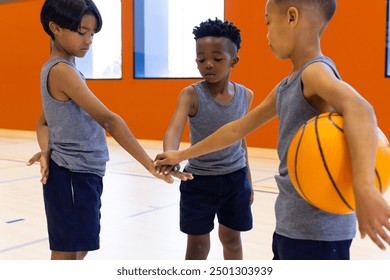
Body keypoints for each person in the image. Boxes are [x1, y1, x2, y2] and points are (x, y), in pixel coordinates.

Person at [155, 0, 390, 259]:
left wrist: (365, 187)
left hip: (318, 230)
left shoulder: (315, 72)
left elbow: (361, 109)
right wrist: (180, 154)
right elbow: (235, 130)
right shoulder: (288, 84)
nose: (266, 34)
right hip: (292, 222)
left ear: (291, 18)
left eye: (268, 22)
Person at [27, 0, 192, 260]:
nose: (89, 40)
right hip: (72, 175)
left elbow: (43, 122)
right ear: (55, 27)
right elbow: (110, 121)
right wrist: (150, 164)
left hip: (83, 173)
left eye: (92, 34)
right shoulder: (61, 72)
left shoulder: (67, 71)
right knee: (66, 253)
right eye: (82, 32)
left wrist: (46, 150)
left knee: (79, 249)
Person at [157, 18, 254, 260]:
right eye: (201, 59)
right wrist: (171, 154)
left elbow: (241, 141)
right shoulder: (191, 94)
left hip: (235, 179)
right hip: (198, 182)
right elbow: (174, 130)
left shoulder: (246, 95)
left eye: (217, 58)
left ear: (235, 60)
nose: (208, 64)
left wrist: (248, 180)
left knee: (232, 240)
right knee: (198, 247)